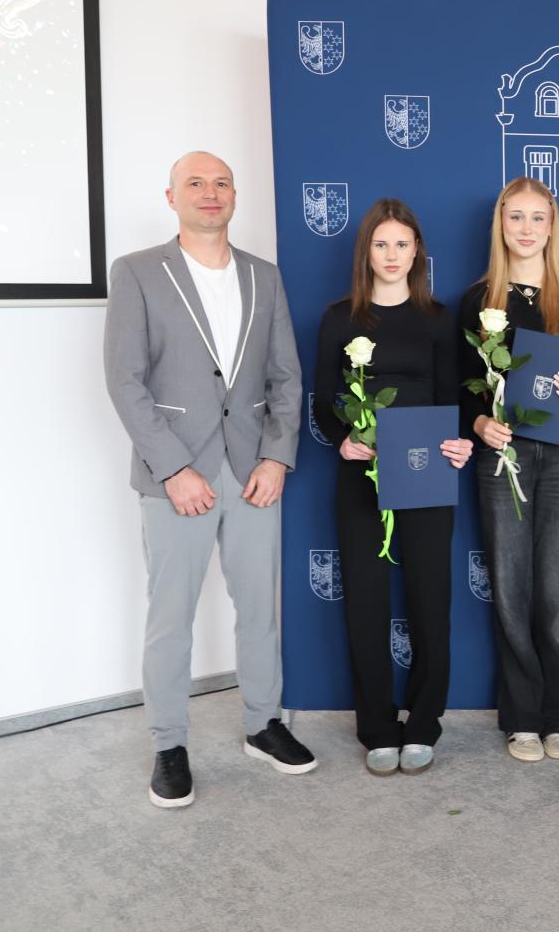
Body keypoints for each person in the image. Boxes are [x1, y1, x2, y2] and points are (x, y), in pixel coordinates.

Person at [104, 150, 316, 809]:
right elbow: (125, 382)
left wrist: (277, 458)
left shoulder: (263, 276)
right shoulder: (137, 271)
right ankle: (169, 745)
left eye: (221, 182)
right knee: (170, 617)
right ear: (171, 197)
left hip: (253, 470)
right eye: (194, 183)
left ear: (234, 195)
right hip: (177, 476)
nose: (210, 192)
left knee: (259, 609)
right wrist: (173, 469)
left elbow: (286, 377)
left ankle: (263, 724)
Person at [313, 199, 474, 777]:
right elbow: (323, 399)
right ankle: (377, 727)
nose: (391, 255)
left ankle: (424, 722)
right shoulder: (340, 317)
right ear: (366, 252)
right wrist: (342, 440)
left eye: (402, 244)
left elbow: (454, 397)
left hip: (428, 468)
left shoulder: (438, 317)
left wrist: (461, 443)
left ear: (416, 252)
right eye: (381, 244)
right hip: (360, 471)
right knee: (366, 600)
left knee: (431, 597)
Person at [459, 176, 559, 763]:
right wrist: (479, 424)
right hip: (505, 456)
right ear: (501, 224)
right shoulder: (480, 299)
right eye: (515, 216)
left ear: (552, 227)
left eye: (537, 218)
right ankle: (521, 717)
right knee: (510, 590)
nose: (526, 228)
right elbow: (462, 388)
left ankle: (558, 714)